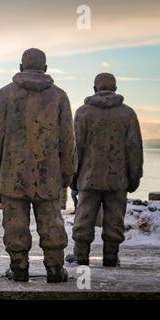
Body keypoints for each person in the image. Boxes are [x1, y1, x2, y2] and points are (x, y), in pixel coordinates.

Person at [0, 48, 77, 283]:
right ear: (45, 69)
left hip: (12, 174)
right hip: (49, 175)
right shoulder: (59, 96)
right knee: (52, 222)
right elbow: (68, 140)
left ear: (20, 67)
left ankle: (19, 267)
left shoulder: (5, 95)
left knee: (15, 223)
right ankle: (55, 268)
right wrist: (67, 173)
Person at [69, 73, 143, 267]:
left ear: (94, 88)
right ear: (115, 89)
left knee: (83, 217)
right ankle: (111, 256)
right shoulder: (128, 114)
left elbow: (75, 149)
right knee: (115, 218)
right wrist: (134, 178)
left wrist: (73, 177)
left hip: (88, 177)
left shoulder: (83, 113)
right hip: (118, 179)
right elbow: (134, 149)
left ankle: (80, 255)